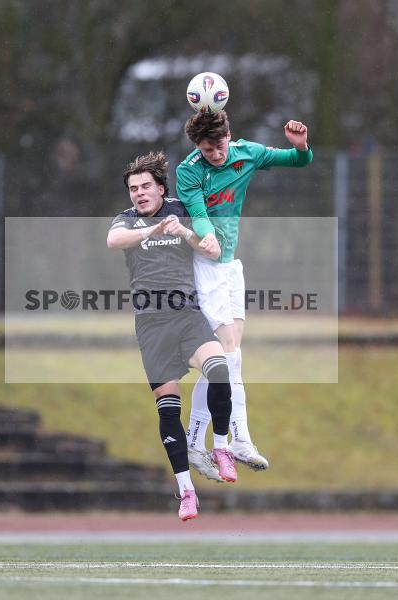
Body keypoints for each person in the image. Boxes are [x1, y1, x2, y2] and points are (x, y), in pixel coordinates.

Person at [176, 109, 313, 477]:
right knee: (228, 356)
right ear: (197, 147)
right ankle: (237, 437)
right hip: (207, 267)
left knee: (224, 358)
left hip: (232, 267)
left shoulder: (247, 153)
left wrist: (301, 147)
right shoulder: (188, 170)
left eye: (219, 146)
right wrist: (205, 235)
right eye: (208, 150)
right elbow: (197, 210)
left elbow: (297, 161)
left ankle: (195, 440)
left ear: (229, 135)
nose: (216, 155)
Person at [108, 152, 237, 521]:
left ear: (162, 188)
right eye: (133, 189)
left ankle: (222, 446)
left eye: (146, 186)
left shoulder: (182, 210)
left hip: (187, 317)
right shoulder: (127, 221)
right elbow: (113, 240)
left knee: (219, 369)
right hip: (152, 326)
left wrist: (186, 233)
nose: (139, 193)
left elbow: (213, 247)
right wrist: (151, 230)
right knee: (168, 409)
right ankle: (185, 491)